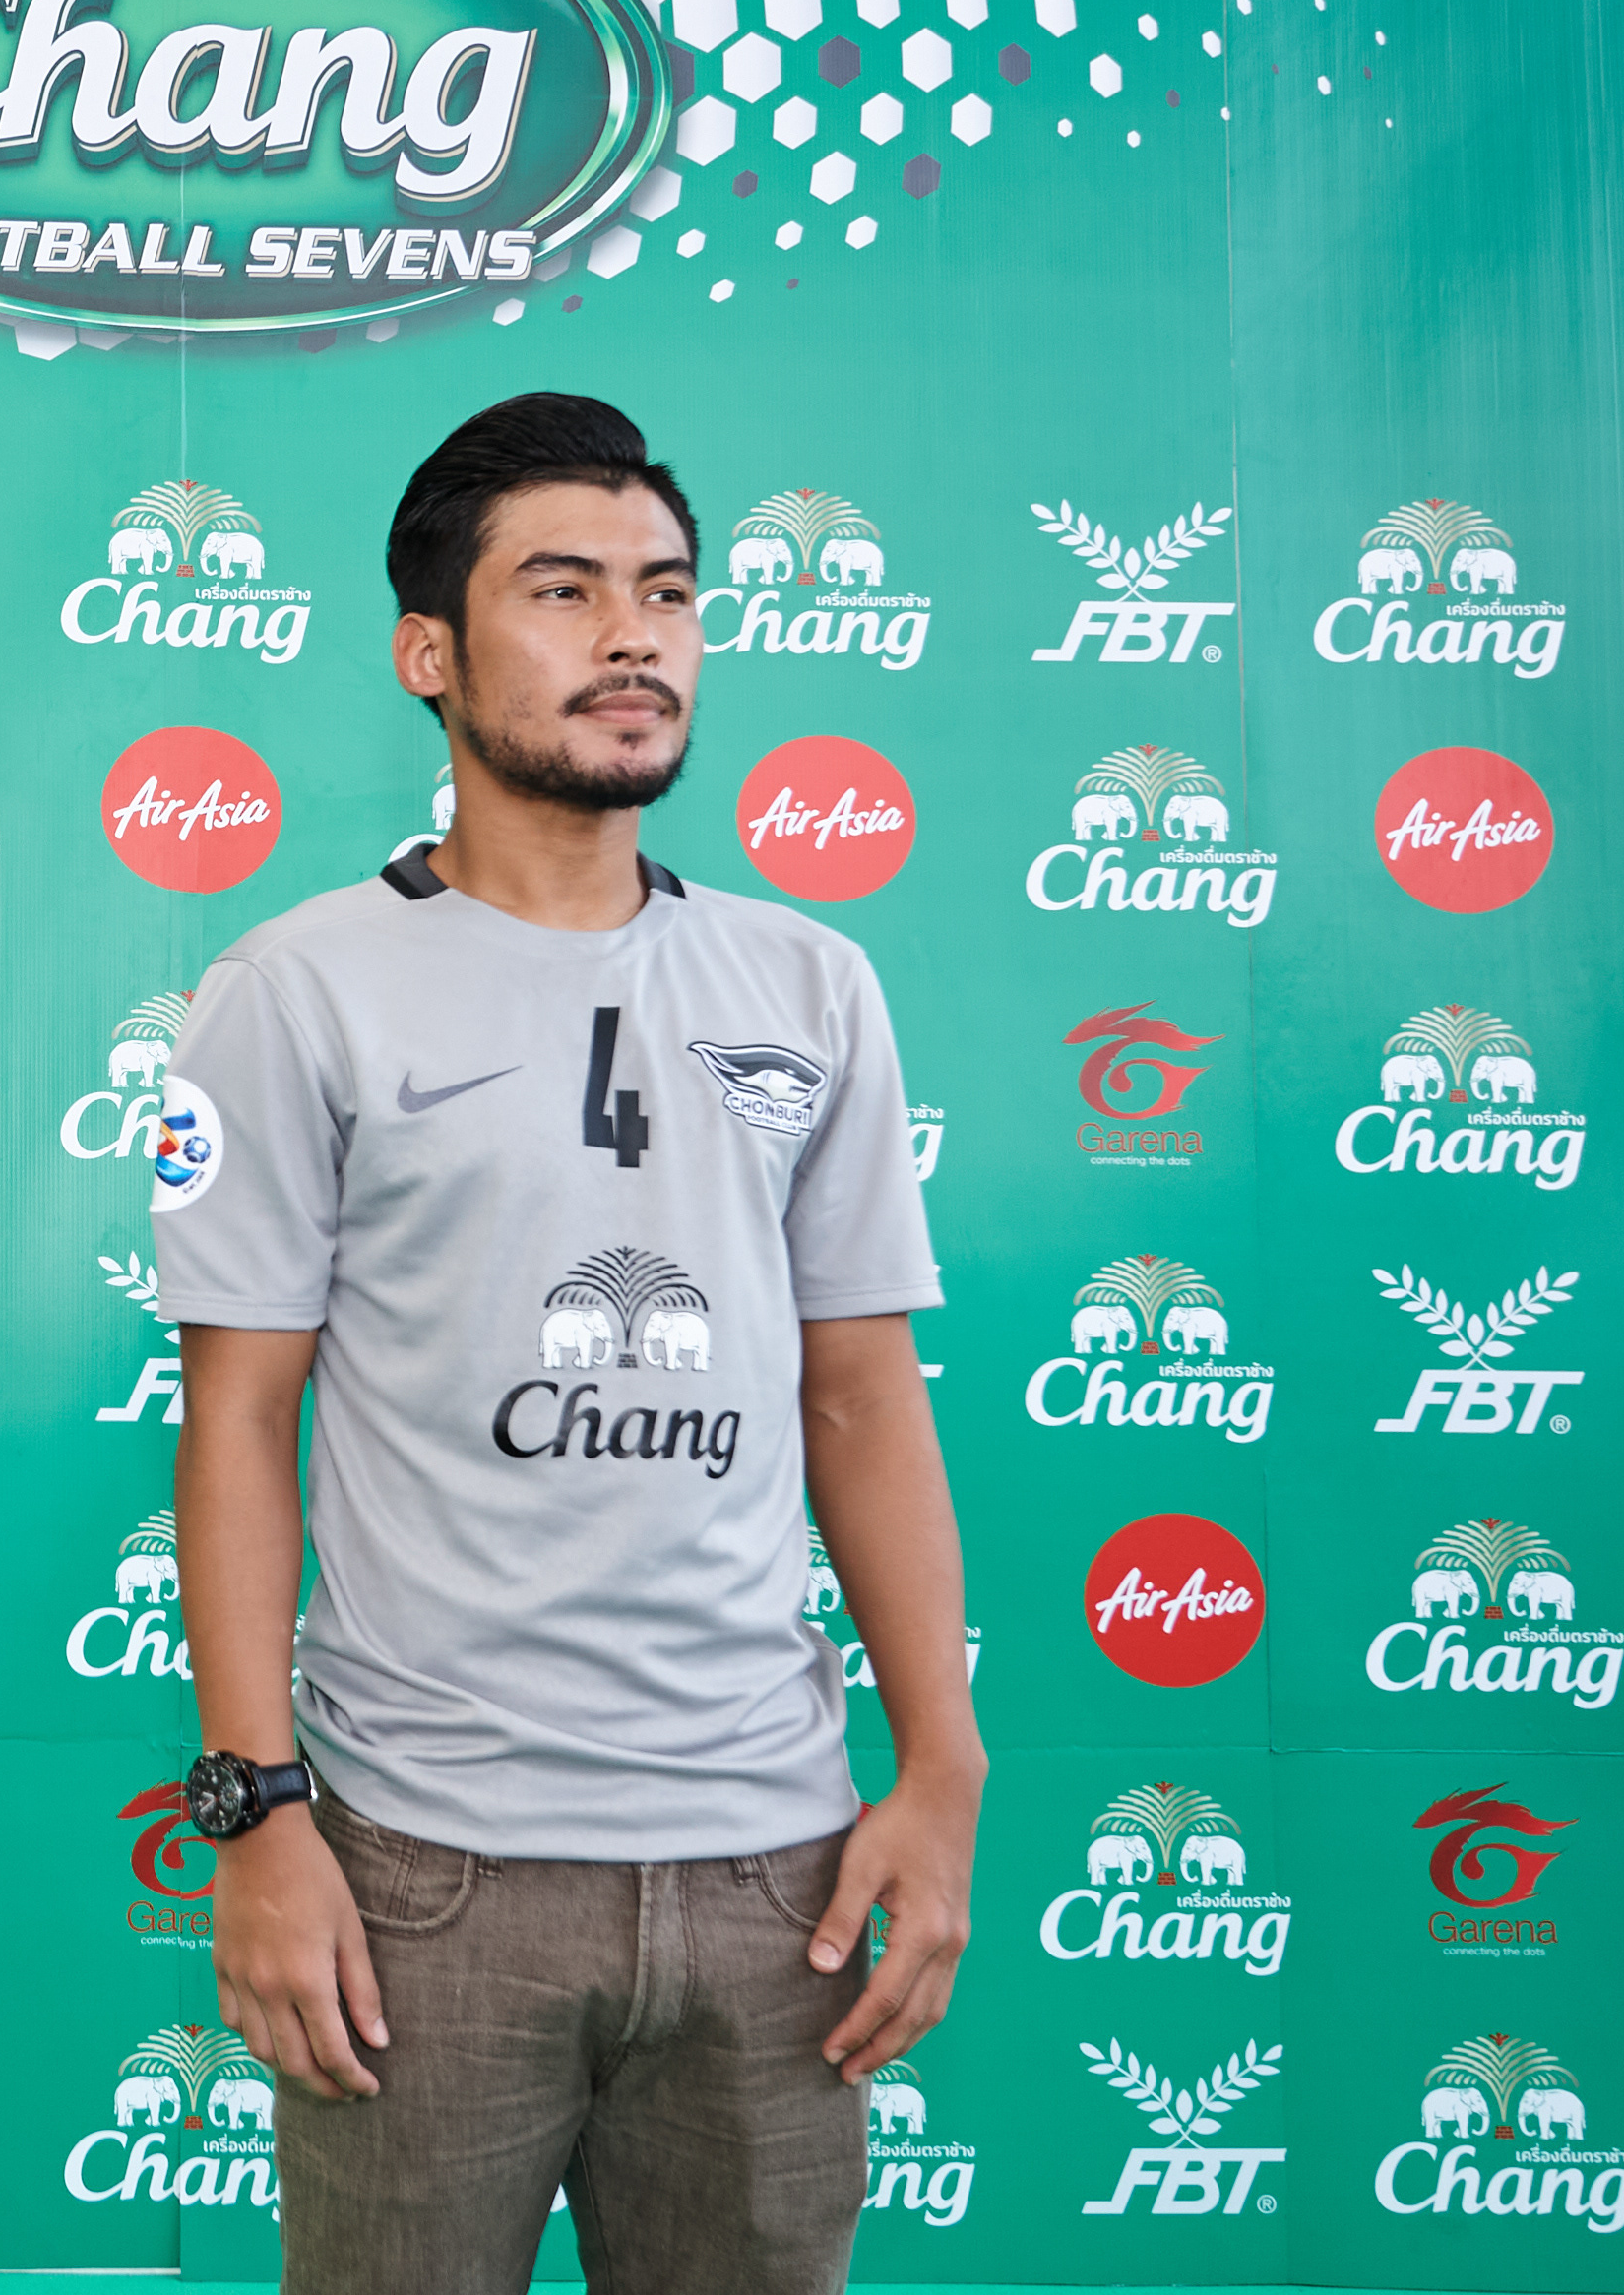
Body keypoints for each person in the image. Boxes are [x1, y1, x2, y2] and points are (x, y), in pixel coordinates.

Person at [154, 394, 980, 2295]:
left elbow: (864, 1397)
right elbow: (238, 1422)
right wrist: (256, 1817)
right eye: (564, 590)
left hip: (778, 1873)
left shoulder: (811, 983)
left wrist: (941, 1767)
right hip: (423, 1874)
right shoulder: (293, 989)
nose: (634, 638)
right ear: (427, 655)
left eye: (668, 593)